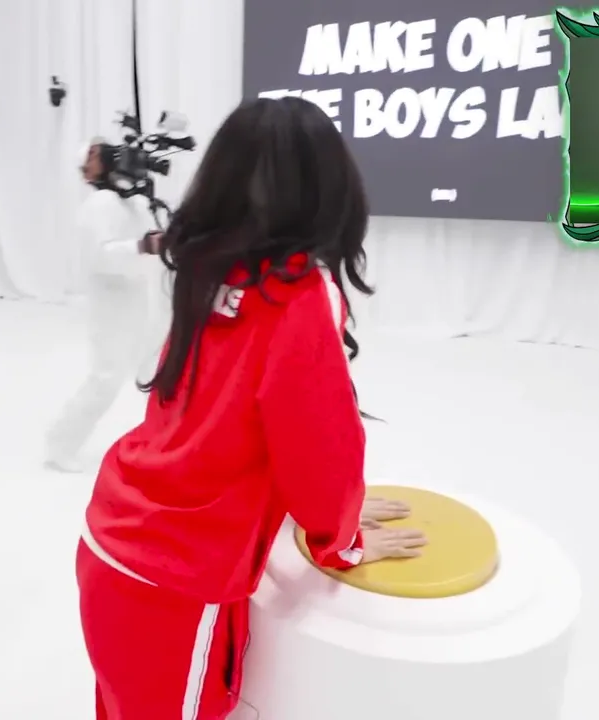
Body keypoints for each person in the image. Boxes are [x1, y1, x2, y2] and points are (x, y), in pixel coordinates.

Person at [76, 96, 428, 720]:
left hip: (115, 537)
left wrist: (323, 513)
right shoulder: (298, 291)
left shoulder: (208, 266)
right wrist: (340, 535)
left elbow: (213, 416)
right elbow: (316, 442)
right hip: (174, 576)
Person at [44, 139, 162, 473]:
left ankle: (161, 438)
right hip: (112, 307)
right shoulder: (99, 204)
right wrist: (141, 246)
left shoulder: (130, 200)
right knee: (106, 378)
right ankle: (60, 444)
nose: (104, 152)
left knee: (154, 372)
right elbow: (99, 256)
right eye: (93, 154)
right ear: (87, 173)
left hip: (139, 300)